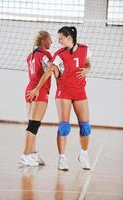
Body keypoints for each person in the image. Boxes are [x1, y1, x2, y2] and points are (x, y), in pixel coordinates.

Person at [28, 26, 92, 171]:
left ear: (69, 38)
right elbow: (49, 71)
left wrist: (88, 68)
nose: (58, 42)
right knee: (64, 127)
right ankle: (62, 159)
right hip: (64, 92)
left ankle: (84, 155)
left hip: (80, 91)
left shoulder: (84, 49)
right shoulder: (59, 54)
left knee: (86, 127)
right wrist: (38, 88)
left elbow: (87, 63)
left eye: (61, 39)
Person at [19, 30, 53, 166]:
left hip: (30, 88)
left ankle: (32, 154)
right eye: (50, 39)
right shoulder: (45, 54)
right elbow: (49, 70)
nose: (51, 41)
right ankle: (25, 155)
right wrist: (38, 89)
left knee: (32, 124)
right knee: (34, 124)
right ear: (43, 40)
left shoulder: (31, 55)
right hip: (38, 90)